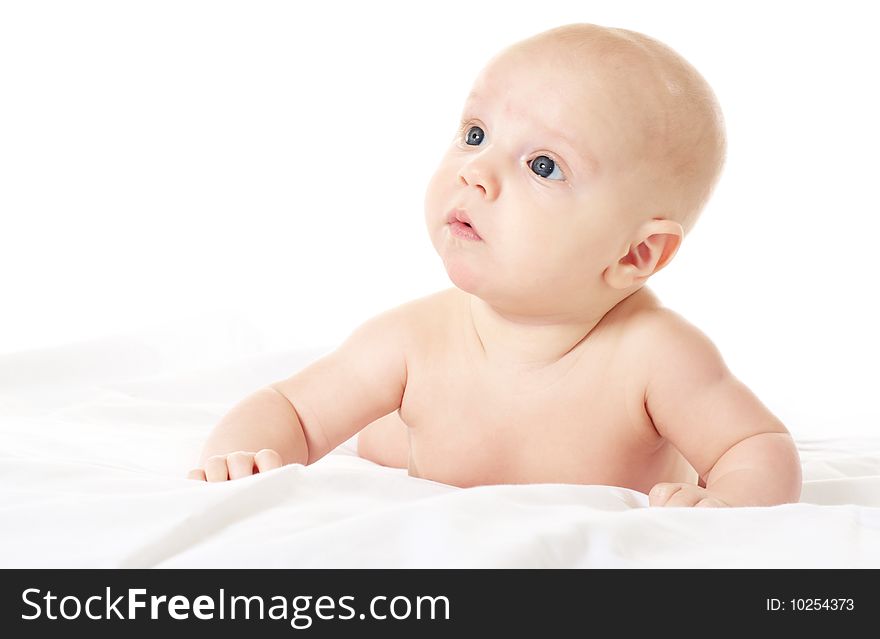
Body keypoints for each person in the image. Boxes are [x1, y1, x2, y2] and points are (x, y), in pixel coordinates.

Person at [187, 23, 802, 508]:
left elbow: (756, 446)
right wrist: (240, 456)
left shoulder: (655, 357)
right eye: (475, 134)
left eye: (543, 165)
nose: (473, 172)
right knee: (377, 435)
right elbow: (292, 409)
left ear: (636, 254)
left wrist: (730, 501)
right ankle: (389, 435)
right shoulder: (413, 341)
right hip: (402, 433)